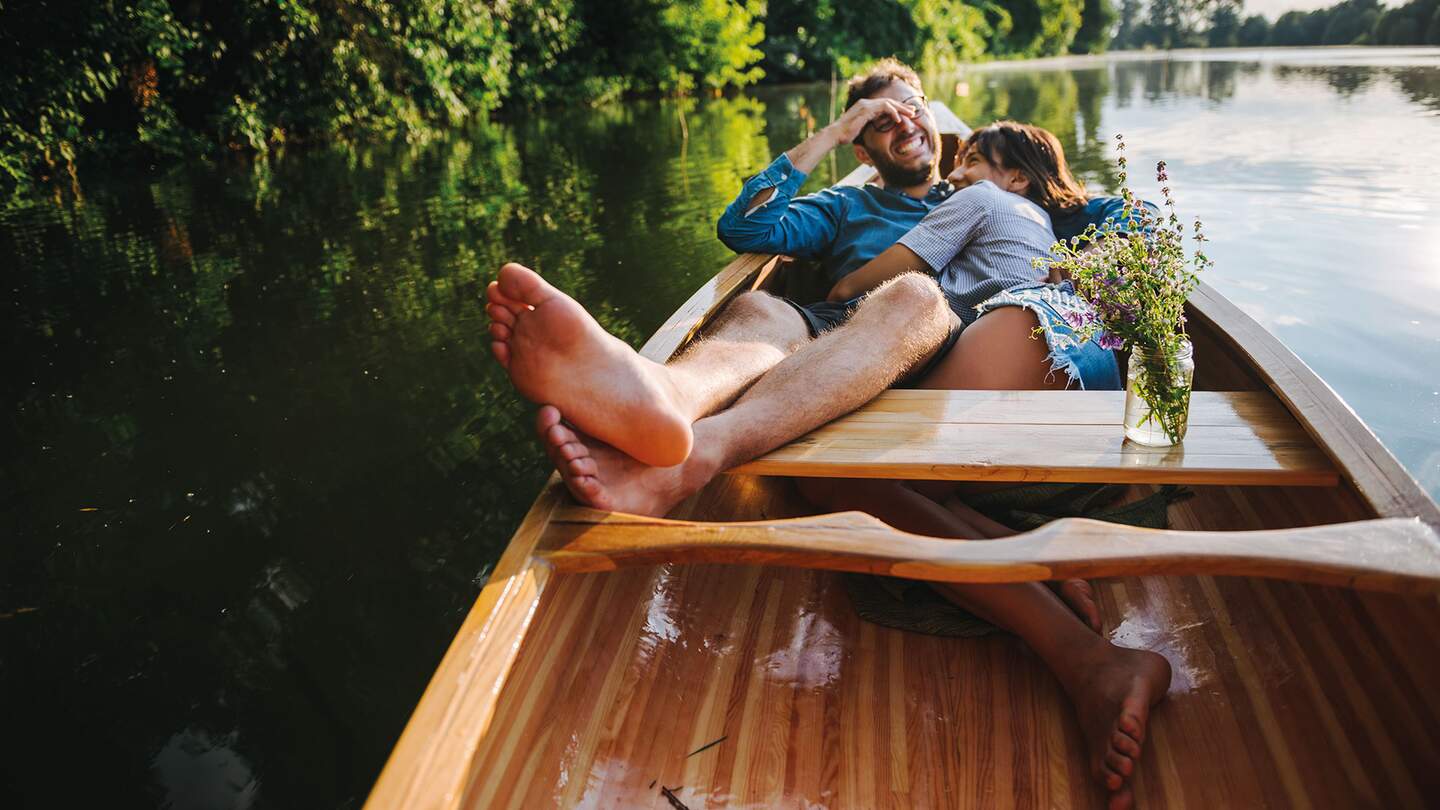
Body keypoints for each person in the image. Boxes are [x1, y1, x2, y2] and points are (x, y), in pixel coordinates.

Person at [795, 120, 1170, 810]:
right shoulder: (1037, 215)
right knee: (830, 467)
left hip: (1035, 354)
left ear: (1016, 175)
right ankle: (1008, 547)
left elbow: (1139, 221)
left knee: (828, 461)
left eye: (970, 160)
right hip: (1060, 398)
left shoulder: (1037, 211)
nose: (956, 173)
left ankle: (1069, 637)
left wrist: (1089, 265)